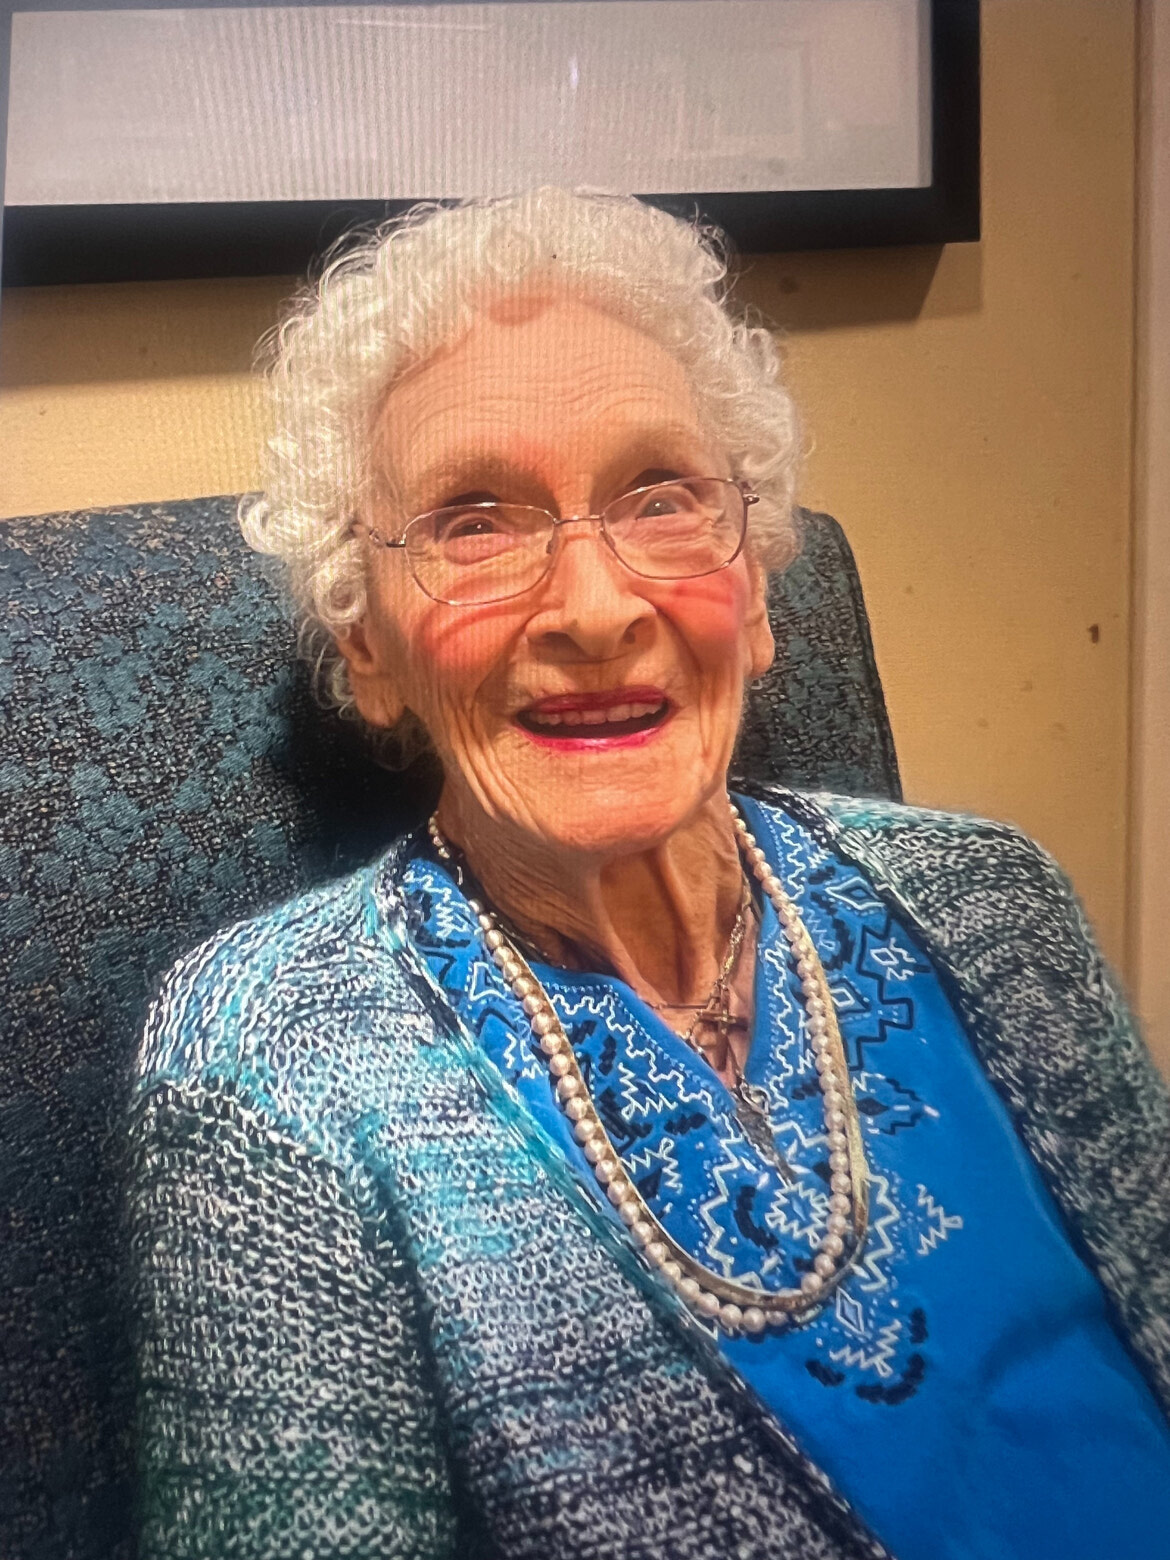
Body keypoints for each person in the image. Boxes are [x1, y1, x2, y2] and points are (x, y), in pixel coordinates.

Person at [128, 189, 1170, 1560]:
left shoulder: (988, 897)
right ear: (367, 648)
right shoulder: (274, 1065)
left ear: (755, 589)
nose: (597, 607)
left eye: (661, 497)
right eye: (473, 522)